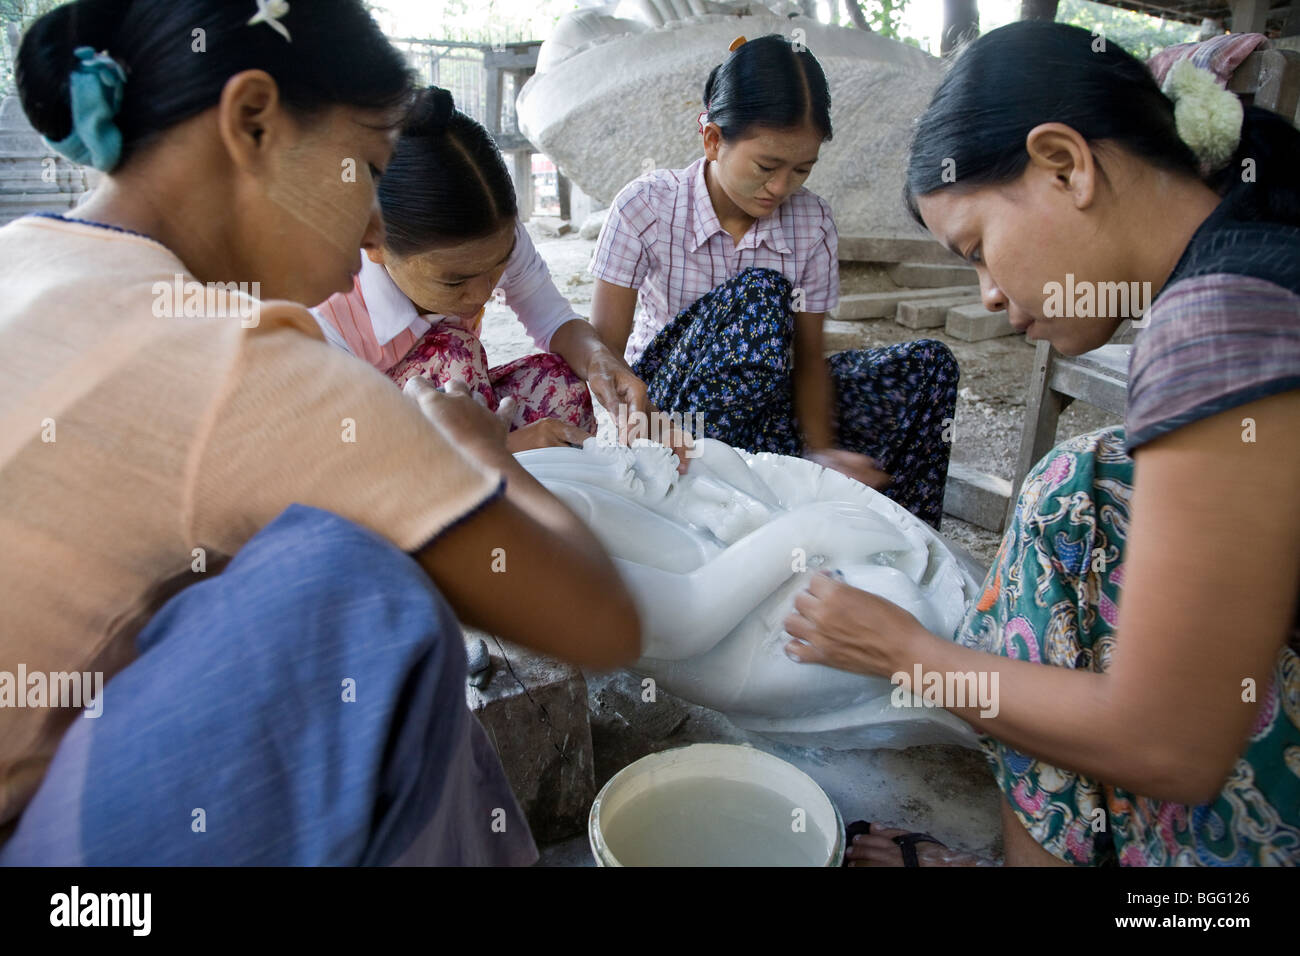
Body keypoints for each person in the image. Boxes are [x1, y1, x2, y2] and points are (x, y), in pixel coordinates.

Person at [0, 0, 639, 865]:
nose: (379, 225)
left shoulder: (26, 257)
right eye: (370, 170)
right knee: (355, 585)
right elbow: (600, 622)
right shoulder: (239, 364)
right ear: (253, 122)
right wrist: (483, 452)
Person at [784, 21, 1300, 866]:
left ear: (1066, 165)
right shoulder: (1252, 238)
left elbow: (1171, 746)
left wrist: (912, 655)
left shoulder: (1220, 323)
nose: (988, 294)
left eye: (980, 249)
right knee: (1082, 484)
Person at [588, 33, 960, 528]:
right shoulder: (647, 206)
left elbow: (808, 358)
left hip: (771, 409)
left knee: (928, 367)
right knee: (761, 295)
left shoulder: (812, 222)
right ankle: (723, 491)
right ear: (714, 140)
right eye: (767, 166)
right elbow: (605, 352)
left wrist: (821, 449)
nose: (781, 187)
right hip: (674, 410)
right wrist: (635, 427)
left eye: (802, 169)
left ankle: (892, 543)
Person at [313, 86, 656, 454]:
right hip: (373, 449)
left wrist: (599, 359)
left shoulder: (490, 241)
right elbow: (343, 457)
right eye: (455, 280)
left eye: (497, 267)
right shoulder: (320, 311)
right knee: (453, 352)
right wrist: (502, 450)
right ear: (374, 243)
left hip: (453, 426)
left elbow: (554, 320)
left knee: (558, 384)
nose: (481, 295)